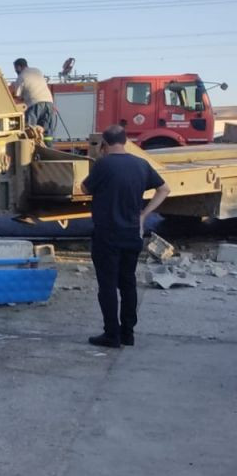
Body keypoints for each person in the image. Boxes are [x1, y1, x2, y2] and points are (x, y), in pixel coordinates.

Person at [80, 125, 170, 348]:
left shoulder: (103, 164)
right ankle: (128, 333)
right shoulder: (141, 164)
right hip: (133, 234)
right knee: (128, 283)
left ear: (104, 145)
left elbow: (83, 188)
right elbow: (164, 189)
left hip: (107, 235)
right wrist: (144, 214)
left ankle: (112, 334)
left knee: (108, 285)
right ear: (126, 141)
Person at [10, 58, 57, 146]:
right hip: (49, 102)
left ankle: (30, 151)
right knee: (46, 131)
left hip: (34, 104)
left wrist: (13, 87)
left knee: (30, 130)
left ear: (19, 67)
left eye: (15, 69)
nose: (16, 71)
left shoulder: (21, 76)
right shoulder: (37, 71)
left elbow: (17, 95)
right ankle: (49, 150)